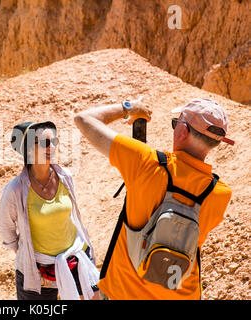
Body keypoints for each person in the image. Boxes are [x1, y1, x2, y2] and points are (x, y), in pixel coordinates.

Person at [74, 97, 233, 300]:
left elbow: (83, 119)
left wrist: (128, 108)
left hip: (123, 293)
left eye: (176, 123)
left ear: (183, 131)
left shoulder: (146, 163)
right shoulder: (220, 194)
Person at [0, 121, 100, 300]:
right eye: (45, 143)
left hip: (75, 260)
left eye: (54, 141)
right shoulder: (15, 190)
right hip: (38, 272)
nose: (52, 147)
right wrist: (31, 259)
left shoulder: (65, 177)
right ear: (29, 150)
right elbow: (7, 232)